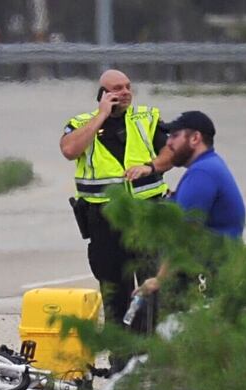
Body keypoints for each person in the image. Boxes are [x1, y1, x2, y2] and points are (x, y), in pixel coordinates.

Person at [60, 69, 174, 330]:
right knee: (113, 287)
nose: (125, 93)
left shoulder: (146, 118)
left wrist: (150, 167)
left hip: (147, 213)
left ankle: (149, 347)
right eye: (117, 88)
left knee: (151, 284)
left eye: (128, 87)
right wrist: (101, 116)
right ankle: (120, 349)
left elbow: (171, 153)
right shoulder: (82, 123)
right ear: (103, 94)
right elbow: (69, 150)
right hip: (104, 219)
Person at [133, 110, 246, 296]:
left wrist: (160, 279)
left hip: (208, 274)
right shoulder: (210, 165)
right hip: (219, 267)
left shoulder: (202, 173)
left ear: (195, 138)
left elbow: (185, 234)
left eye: (175, 136)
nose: (168, 143)